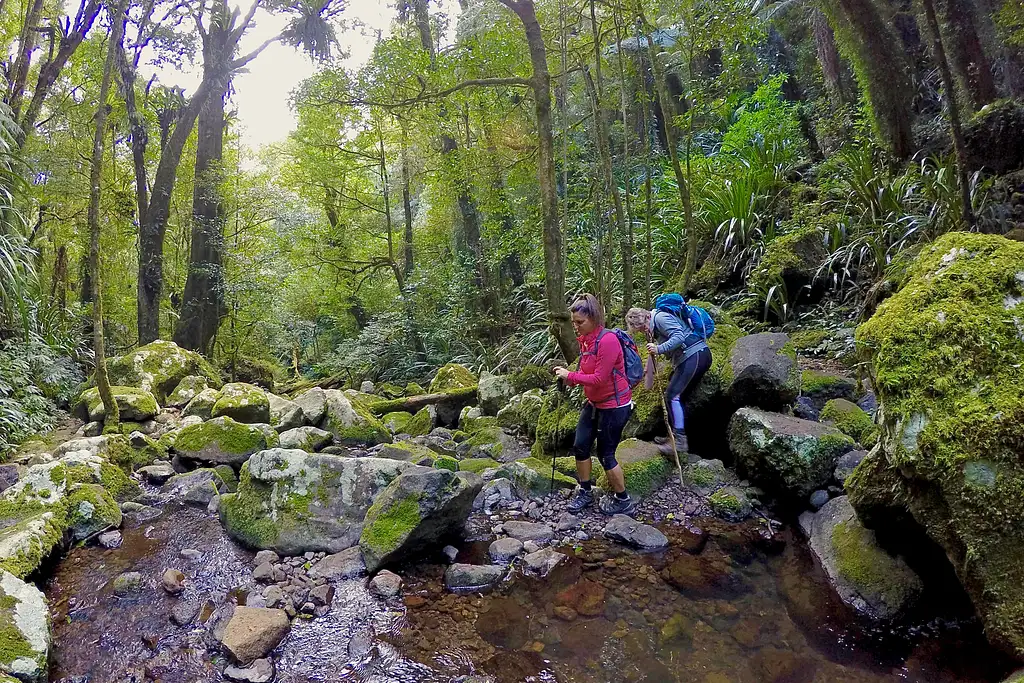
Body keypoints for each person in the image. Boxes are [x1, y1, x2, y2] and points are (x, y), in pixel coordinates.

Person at [552, 294, 636, 515]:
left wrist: (571, 374)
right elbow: (586, 372)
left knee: (606, 454)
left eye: (580, 322)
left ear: (594, 318)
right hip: (595, 403)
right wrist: (569, 379)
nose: (576, 326)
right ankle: (585, 491)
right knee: (580, 446)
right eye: (574, 322)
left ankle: (623, 499)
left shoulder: (607, 340)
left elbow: (600, 377)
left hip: (615, 406)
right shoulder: (586, 341)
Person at [625, 305, 712, 456]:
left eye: (642, 328)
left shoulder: (660, 318)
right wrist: (648, 371)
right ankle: (672, 437)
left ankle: (679, 442)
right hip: (691, 357)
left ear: (645, 318)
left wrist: (659, 349)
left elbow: (679, 336)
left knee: (672, 395)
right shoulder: (654, 324)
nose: (644, 331)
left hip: (695, 355)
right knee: (675, 396)